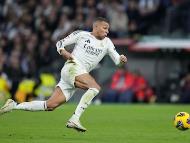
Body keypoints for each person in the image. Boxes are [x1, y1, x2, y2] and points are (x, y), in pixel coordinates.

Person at [0, 17, 127, 132]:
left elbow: (117, 61)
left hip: (79, 73)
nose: (107, 31)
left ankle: (14, 105)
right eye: (105, 28)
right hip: (72, 68)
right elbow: (60, 43)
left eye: (108, 29)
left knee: (49, 105)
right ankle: (74, 119)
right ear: (96, 27)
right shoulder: (81, 35)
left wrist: (121, 60)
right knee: (95, 88)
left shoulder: (107, 42)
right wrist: (62, 51)